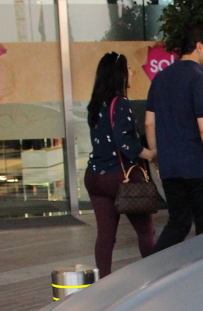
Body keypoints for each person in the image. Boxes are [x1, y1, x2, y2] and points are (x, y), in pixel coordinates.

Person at [146, 25, 203, 253]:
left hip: (171, 167)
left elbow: (149, 122)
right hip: (198, 168)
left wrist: (156, 156)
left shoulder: (160, 78)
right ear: (199, 46)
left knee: (178, 223)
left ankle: (154, 270)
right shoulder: (199, 79)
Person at [84, 52, 157, 275]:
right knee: (146, 231)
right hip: (120, 176)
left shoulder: (95, 104)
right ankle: (155, 275)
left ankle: (103, 282)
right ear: (119, 75)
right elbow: (124, 142)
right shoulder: (121, 103)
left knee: (105, 236)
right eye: (128, 69)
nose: (132, 72)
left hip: (94, 177)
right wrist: (151, 155)